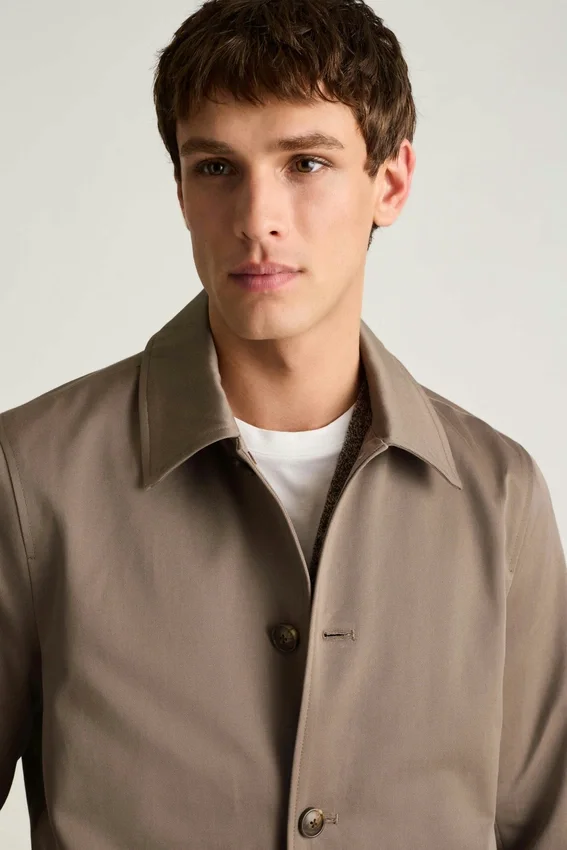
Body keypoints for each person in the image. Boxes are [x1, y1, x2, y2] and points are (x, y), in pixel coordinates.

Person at [1, 0, 565, 847]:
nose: (256, 217)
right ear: (181, 191)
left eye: (305, 162)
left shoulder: (499, 496)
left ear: (390, 183)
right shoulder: (27, 477)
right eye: (215, 167)